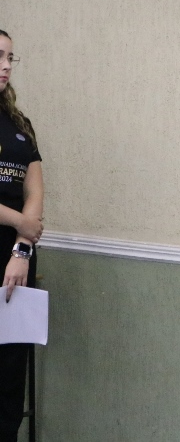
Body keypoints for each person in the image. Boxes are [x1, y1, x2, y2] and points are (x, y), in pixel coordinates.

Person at [0, 29, 44, 442]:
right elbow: (25, 216)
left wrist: (22, 247)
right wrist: (21, 222)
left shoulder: (19, 124)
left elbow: (35, 190)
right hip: (16, 231)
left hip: (16, 256)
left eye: (10, 58)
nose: (6, 66)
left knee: (11, 365)